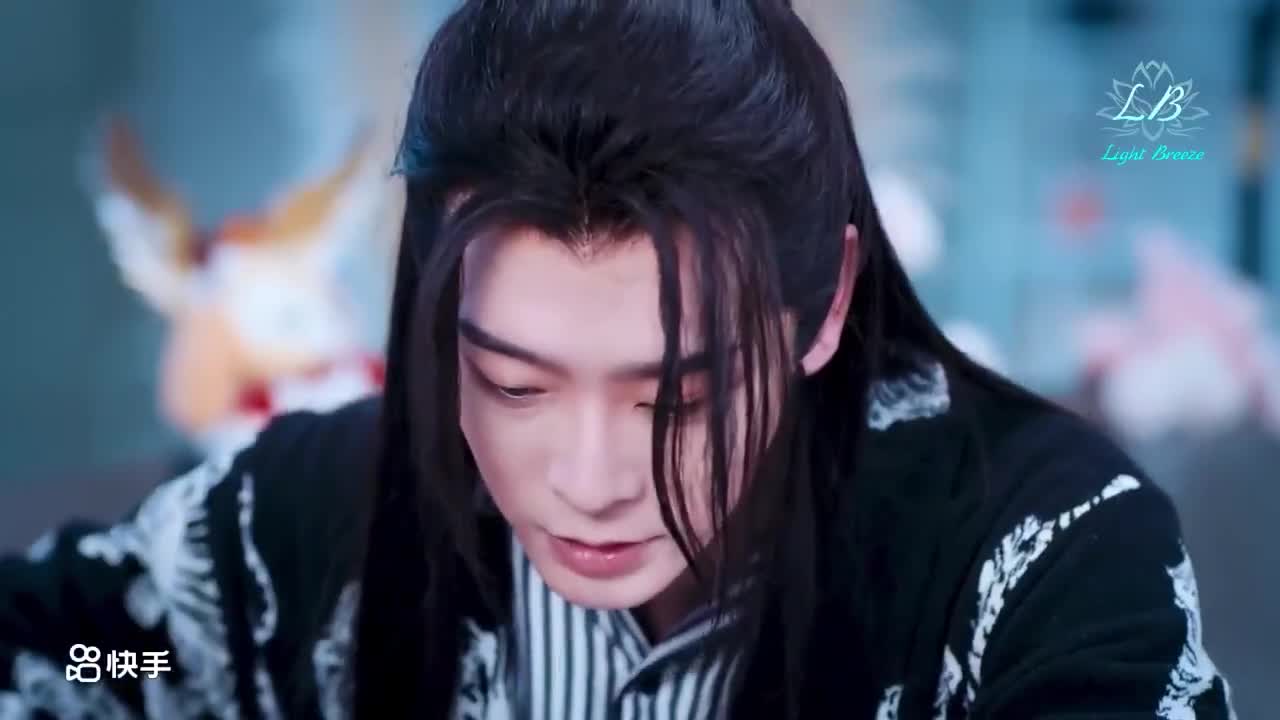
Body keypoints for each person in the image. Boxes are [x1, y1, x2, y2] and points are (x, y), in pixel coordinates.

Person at [0, 1, 1238, 718]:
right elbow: (100, 650)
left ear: (822, 306)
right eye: (513, 383)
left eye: (679, 396)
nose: (588, 482)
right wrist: (168, 670)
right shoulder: (320, 522)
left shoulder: (1037, 555)